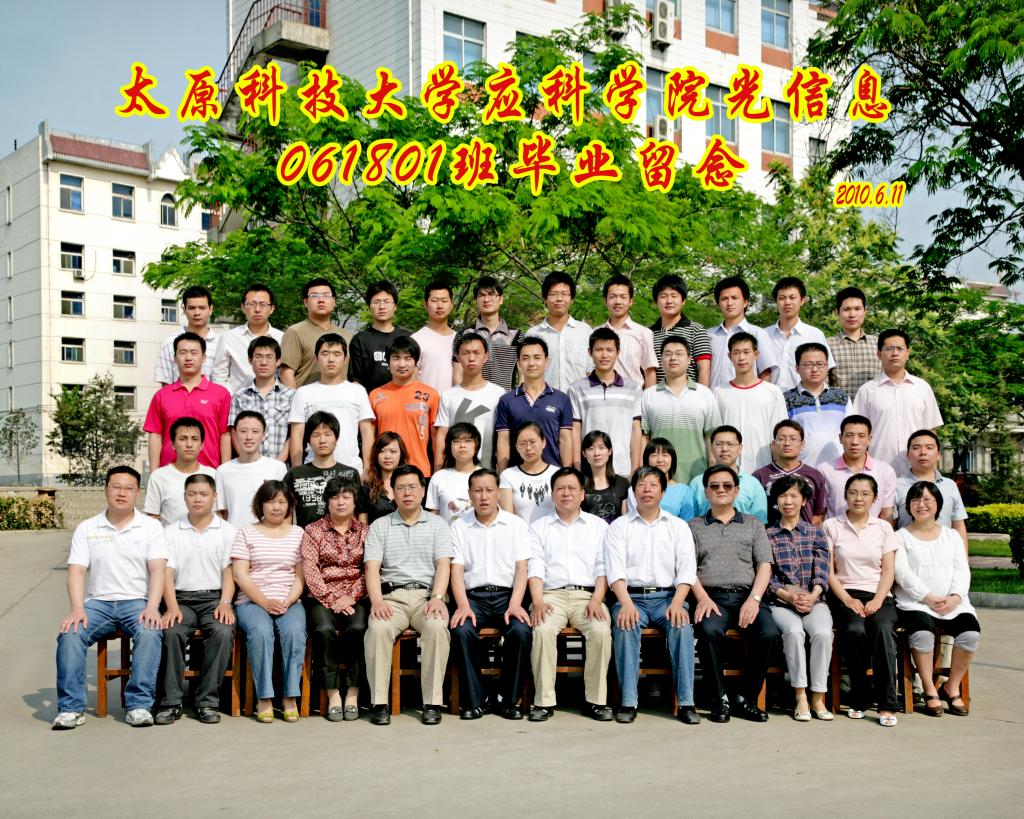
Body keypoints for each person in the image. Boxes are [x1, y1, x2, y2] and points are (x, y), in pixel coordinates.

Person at [52, 466, 167, 730]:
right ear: (106, 490)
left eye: (128, 488)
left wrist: (152, 606)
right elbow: (77, 571)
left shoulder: (151, 527)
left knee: (150, 631)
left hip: (136, 601)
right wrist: (77, 609)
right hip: (98, 604)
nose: (122, 493)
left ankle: (139, 705)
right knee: (70, 634)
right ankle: (71, 708)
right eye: (116, 487)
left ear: (137, 493)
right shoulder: (87, 527)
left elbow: (158, 570)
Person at [606, 466, 699, 725]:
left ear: (663, 491)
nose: (646, 490)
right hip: (631, 597)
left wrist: (678, 603)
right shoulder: (620, 526)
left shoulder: (677, 526)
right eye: (641, 484)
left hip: (668, 597)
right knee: (626, 625)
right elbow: (615, 571)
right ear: (633, 490)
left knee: (682, 626)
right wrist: (625, 604)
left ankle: (686, 702)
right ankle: (628, 702)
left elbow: (687, 570)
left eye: (653, 485)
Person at [363, 465, 454, 726]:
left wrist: (438, 597)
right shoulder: (380, 526)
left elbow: (443, 565)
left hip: (427, 597)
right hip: (392, 599)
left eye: (413, 487)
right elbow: (372, 568)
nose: (407, 493)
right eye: (401, 487)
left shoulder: (438, 525)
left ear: (423, 491)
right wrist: (377, 601)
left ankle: (432, 702)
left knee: (437, 628)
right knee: (378, 629)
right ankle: (379, 703)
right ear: (392, 492)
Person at [689, 465, 780, 723]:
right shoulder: (693, 526)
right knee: (709, 632)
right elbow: (686, 569)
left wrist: (754, 600)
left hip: (747, 596)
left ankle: (744, 698)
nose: (721, 490)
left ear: (736, 490)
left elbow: (764, 565)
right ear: (706, 492)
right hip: (711, 597)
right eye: (714, 486)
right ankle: (719, 698)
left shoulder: (753, 524)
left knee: (769, 633)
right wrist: (702, 597)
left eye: (727, 485)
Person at [527, 467, 613, 722]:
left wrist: (597, 599)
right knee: (542, 630)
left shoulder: (598, 526)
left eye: (572, 488)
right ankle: (543, 702)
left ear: (582, 494)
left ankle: (595, 701)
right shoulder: (539, 527)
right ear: (552, 494)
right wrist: (537, 601)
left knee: (600, 631)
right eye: (560, 489)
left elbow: (603, 567)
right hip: (549, 596)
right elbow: (535, 567)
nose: (566, 493)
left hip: (587, 597)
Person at [449, 468, 533, 720]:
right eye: (478, 491)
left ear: (498, 493)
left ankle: (508, 699)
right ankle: (477, 699)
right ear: (469, 494)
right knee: (461, 630)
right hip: (473, 598)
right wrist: (462, 605)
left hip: (508, 596)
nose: (483, 496)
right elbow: (456, 570)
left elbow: (522, 569)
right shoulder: (459, 526)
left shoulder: (516, 525)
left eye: (489, 490)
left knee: (521, 631)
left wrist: (516, 603)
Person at [155, 474, 237, 726]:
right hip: (181, 599)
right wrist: (171, 607)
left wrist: (225, 603)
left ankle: (207, 701)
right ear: (184, 497)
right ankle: (170, 702)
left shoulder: (227, 530)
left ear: (215, 497)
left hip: (214, 599)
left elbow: (229, 571)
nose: (197, 499)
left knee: (223, 631)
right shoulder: (171, 531)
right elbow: (166, 573)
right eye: (192, 494)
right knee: (171, 631)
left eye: (203, 494)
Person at [894, 481, 979, 717]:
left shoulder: (951, 536)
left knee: (970, 633)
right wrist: (928, 597)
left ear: (938, 504)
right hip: (916, 603)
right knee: (922, 633)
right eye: (915, 500)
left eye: (927, 500)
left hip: (953, 603)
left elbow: (962, 569)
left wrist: (955, 597)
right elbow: (902, 573)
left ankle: (951, 686)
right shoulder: (900, 537)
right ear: (908, 506)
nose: (921, 505)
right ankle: (929, 689)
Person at [823, 473, 900, 725]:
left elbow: (888, 570)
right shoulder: (831, 526)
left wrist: (878, 599)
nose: (859, 498)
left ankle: (887, 703)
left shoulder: (883, 528)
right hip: (844, 594)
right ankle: (859, 696)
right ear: (845, 496)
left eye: (865, 493)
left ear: (874, 498)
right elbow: (828, 571)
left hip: (879, 594)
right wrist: (847, 600)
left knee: (882, 629)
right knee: (855, 629)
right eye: (853, 492)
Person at [231, 480, 306, 723]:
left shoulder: (298, 533)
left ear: (289, 505)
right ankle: (264, 697)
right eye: (271, 501)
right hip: (252, 601)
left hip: (289, 600)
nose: (276, 507)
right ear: (260, 505)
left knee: (294, 632)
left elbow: (300, 576)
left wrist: (288, 600)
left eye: (282, 502)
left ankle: (290, 696)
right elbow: (240, 574)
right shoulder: (246, 532)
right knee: (261, 632)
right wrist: (264, 601)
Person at [765, 475, 833, 721]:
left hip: (814, 599)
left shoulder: (816, 533)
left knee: (822, 634)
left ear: (804, 501)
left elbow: (822, 571)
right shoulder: (768, 534)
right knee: (794, 632)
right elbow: (767, 576)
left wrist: (813, 595)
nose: (788, 501)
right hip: (781, 602)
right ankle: (800, 695)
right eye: (783, 496)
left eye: (794, 496)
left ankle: (818, 696)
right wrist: (789, 597)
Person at [301, 477, 369, 722]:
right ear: (327, 501)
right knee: (323, 629)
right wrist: (331, 599)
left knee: (358, 628)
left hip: (355, 597)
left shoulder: (364, 531)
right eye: (335, 497)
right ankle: (332, 694)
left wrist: (352, 596)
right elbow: (310, 568)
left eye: (346, 497)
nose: (340, 502)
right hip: (321, 597)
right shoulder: (313, 530)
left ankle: (352, 693)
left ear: (354, 501)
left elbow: (369, 569)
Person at [852, 329, 943, 470]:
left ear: (908, 353)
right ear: (879, 354)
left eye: (900, 349)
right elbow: (858, 433)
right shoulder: (867, 391)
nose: (895, 353)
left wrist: (932, 471)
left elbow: (930, 431)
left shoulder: (922, 387)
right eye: (889, 349)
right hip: (878, 469)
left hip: (917, 470)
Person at [287, 333, 374, 475]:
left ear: (345, 359)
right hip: (312, 472)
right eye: (325, 353)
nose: (331, 359)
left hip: (351, 470)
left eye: (337, 354)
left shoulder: (358, 391)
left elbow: (367, 433)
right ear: (316, 358)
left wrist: (368, 469)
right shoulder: (303, 393)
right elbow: (297, 435)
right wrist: (297, 473)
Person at [145, 332, 231, 470]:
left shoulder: (221, 394)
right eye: (183, 352)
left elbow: (225, 435)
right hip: (169, 472)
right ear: (174, 358)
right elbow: (155, 436)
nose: (188, 358)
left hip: (208, 473)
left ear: (204, 358)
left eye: (194, 353)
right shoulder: (161, 396)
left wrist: (225, 472)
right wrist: (154, 473)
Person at [640, 337, 720, 482]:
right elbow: (644, 438)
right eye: (668, 354)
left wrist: (713, 473)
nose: (673, 358)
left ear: (689, 360)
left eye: (679, 353)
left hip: (697, 477)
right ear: (661, 359)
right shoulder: (649, 395)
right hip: (658, 480)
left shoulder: (705, 394)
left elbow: (712, 438)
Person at [569, 327, 643, 477]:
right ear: (590, 352)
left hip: (623, 468)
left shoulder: (633, 388)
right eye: (599, 350)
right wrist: (577, 467)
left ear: (618, 352)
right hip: (589, 470)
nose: (604, 355)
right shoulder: (577, 388)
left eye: (609, 350)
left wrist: (634, 468)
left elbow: (636, 430)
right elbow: (575, 430)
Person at [494, 337, 573, 472]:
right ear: (519, 363)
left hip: (553, 475)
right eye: (525, 358)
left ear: (546, 361)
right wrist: (502, 476)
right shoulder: (506, 400)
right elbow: (503, 441)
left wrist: (566, 474)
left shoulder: (561, 399)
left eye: (537, 357)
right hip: (517, 475)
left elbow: (565, 440)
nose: (531, 363)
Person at [713, 332, 788, 472]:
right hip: (728, 470)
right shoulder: (719, 392)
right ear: (729, 356)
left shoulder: (773, 392)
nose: (741, 358)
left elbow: (780, 435)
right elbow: (714, 435)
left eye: (746, 352)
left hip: (763, 468)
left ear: (756, 354)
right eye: (736, 353)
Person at [369, 336, 439, 477]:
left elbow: (436, 437)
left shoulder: (430, 394)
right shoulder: (375, 395)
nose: (402, 364)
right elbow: (370, 438)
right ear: (388, 361)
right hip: (385, 473)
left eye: (407, 358)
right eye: (396, 358)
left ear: (416, 362)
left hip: (420, 471)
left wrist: (438, 469)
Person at [434, 331, 505, 470]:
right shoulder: (448, 395)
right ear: (457, 358)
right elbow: (441, 437)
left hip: (487, 472)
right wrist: (437, 471)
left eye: (476, 353)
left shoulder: (499, 394)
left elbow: (503, 438)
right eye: (465, 353)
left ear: (486, 357)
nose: (471, 358)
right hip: (454, 472)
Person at [894, 429, 968, 549]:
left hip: (945, 555)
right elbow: (890, 526)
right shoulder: (896, 486)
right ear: (908, 455)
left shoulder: (950, 485)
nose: (923, 452)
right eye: (916, 447)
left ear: (938, 455)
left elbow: (958, 525)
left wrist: (964, 558)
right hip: (908, 554)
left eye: (929, 447)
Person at [285, 412, 360, 528]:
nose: (322, 440)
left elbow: (359, 513)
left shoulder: (351, 474)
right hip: (305, 537)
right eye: (316, 435)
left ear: (336, 438)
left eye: (327, 434)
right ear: (309, 440)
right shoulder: (295, 474)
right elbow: (286, 513)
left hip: (342, 538)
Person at [214, 411, 288, 527]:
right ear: (235, 434)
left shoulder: (278, 468)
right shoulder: (223, 471)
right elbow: (220, 512)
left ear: (263, 435)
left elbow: (286, 509)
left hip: (269, 535)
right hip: (235, 536)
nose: (249, 437)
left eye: (255, 431)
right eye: (243, 431)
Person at [450, 275, 525, 391]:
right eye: (481, 295)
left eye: (491, 294)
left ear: (501, 299)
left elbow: (523, 375)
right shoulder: (463, 335)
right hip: (473, 399)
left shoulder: (517, 336)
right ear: (476, 300)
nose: (486, 299)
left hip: (506, 399)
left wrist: (517, 399)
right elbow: (458, 375)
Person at [228, 337, 295, 462]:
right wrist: (248, 461)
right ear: (250, 360)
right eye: (258, 357)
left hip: (281, 466)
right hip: (248, 465)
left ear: (278, 361)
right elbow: (234, 432)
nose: (263, 362)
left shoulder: (291, 396)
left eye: (269, 357)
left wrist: (278, 464)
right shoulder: (239, 396)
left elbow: (294, 433)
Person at [784, 341, 850, 467]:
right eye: (808, 365)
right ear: (797, 368)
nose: (814, 369)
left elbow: (852, 431)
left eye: (820, 364)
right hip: (801, 468)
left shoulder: (842, 397)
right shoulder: (786, 399)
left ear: (827, 366)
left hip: (839, 468)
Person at [819, 415, 897, 520]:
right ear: (841, 438)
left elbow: (886, 514)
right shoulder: (824, 470)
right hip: (835, 530)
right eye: (849, 435)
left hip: (873, 530)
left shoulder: (885, 471)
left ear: (869, 439)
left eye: (861, 436)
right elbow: (820, 513)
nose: (855, 442)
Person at [752, 420, 829, 526]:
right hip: (769, 535)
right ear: (773, 444)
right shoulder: (759, 476)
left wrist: (808, 532)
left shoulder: (815, 476)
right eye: (781, 439)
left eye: (793, 439)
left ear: (802, 444)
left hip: (805, 535)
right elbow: (754, 515)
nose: (787, 443)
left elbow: (819, 513)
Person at [212, 282, 284, 394]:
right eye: (251, 304)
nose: (257, 309)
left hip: (273, 401)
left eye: (263, 304)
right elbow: (219, 374)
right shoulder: (229, 337)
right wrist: (226, 399)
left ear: (272, 308)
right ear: (243, 307)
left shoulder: (282, 338)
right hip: (236, 401)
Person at [279, 277, 352, 388]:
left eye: (326, 295)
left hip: (341, 398)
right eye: (314, 296)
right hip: (306, 397)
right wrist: (295, 398)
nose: (321, 300)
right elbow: (286, 373)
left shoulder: (347, 335)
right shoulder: (295, 332)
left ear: (334, 302)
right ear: (305, 302)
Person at [765, 277, 835, 391]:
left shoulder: (814, 335)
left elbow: (825, 372)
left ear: (802, 300)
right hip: (769, 398)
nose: (787, 302)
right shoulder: (763, 335)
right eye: (782, 298)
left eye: (792, 297)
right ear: (775, 301)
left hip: (804, 399)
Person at [526, 271, 593, 391]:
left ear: (571, 299)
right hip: (544, 399)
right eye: (553, 294)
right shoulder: (533, 334)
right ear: (545, 299)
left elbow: (590, 370)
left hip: (579, 399)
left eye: (564, 294)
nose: (559, 299)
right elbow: (527, 373)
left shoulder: (585, 331)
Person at [708, 276, 778, 389]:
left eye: (734, 298)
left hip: (748, 397)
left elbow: (766, 372)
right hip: (714, 397)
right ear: (718, 304)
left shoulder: (757, 333)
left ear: (745, 302)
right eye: (724, 299)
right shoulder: (709, 335)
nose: (729, 303)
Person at [143, 417, 217, 525]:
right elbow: (152, 518)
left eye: (195, 439)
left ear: (202, 445)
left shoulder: (214, 475)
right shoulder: (158, 477)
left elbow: (219, 515)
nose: (189, 444)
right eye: (183, 438)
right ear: (173, 444)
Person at [688, 426, 768, 523]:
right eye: (719, 444)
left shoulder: (753, 484)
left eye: (730, 444)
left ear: (740, 448)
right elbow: (689, 522)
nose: (724, 449)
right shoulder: (697, 483)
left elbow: (760, 523)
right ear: (711, 447)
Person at [649, 273, 712, 386]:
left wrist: (702, 395)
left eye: (674, 296)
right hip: (658, 394)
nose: (669, 301)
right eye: (663, 296)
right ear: (656, 302)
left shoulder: (696, 330)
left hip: (689, 394)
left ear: (683, 300)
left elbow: (704, 369)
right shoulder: (648, 333)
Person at [348, 280, 411, 393]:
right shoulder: (360, 340)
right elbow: (356, 379)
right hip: (370, 401)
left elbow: (416, 373)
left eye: (386, 301)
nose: (382, 306)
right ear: (369, 306)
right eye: (376, 302)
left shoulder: (408, 337)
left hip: (404, 399)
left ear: (395, 306)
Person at [596, 274, 657, 386]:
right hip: (600, 394)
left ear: (631, 301)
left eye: (623, 297)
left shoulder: (644, 333)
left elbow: (650, 372)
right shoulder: (595, 333)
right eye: (612, 296)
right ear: (605, 301)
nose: (618, 301)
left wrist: (649, 397)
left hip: (633, 395)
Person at [154, 285, 222, 385]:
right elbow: (166, 384)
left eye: (202, 308)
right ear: (184, 309)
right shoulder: (170, 342)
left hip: (215, 395)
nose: (197, 313)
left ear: (210, 309)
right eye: (191, 308)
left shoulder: (222, 342)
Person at [499, 422, 558, 523]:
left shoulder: (557, 473)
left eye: (532, 442)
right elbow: (508, 517)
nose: (528, 448)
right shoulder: (508, 475)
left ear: (543, 442)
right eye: (522, 444)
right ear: (516, 447)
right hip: (520, 532)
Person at [625, 438, 696, 521]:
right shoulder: (637, 489)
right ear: (647, 459)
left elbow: (687, 522)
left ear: (672, 459)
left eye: (665, 455)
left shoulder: (683, 491)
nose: (660, 460)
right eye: (654, 455)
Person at [827, 286, 880, 397]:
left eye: (857, 309)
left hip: (873, 406)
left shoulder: (879, 344)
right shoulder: (827, 345)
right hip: (840, 407)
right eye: (846, 309)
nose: (852, 314)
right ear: (837, 312)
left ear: (865, 311)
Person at [425, 423, 479, 523]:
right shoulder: (438, 477)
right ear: (449, 447)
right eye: (456, 441)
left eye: (468, 441)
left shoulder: (486, 477)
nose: (462, 445)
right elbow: (433, 516)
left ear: (476, 446)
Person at [410, 282, 456, 393]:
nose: (440, 306)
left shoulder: (460, 339)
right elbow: (410, 381)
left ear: (451, 305)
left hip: (455, 403)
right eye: (434, 301)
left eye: (444, 301)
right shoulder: (416, 339)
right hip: (425, 402)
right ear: (425, 305)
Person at [580, 431, 629, 523]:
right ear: (584, 453)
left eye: (601, 448)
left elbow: (625, 520)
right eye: (591, 448)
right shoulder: (578, 483)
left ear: (610, 451)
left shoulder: (622, 483)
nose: (596, 453)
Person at [362, 432, 407, 524]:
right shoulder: (367, 487)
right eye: (382, 451)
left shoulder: (410, 484)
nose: (387, 456)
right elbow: (363, 524)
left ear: (401, 454)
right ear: (376, 454)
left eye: (393, 451)